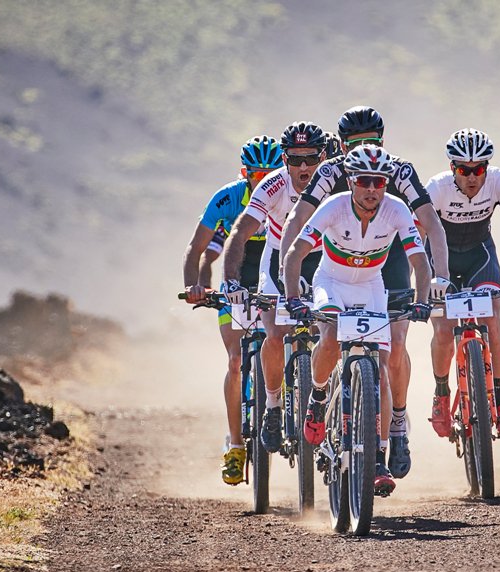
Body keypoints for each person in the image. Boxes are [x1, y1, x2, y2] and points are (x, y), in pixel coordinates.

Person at [279, 106, 451, 480]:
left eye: (373, 143)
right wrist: (288, 284)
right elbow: (296, 223)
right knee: (329, 333)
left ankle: (397, 429)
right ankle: (320, 397)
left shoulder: (398, 175)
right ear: (340, 147)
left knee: (394, 346)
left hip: (381, 262)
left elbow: (431, 228)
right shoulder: (330, 176)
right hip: (335, 253)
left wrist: (438, 281)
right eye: (356, 145)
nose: (372, 184)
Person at [424, 128, 500, 440]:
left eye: (479, 169)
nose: (473, 177)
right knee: (445, 330)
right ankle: (441, 395)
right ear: (453, 168)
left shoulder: (499, 181)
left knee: (491, 320)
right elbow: (413, 238)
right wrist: (423, 284)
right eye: (464, 170)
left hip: (479, 257)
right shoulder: (436, 188)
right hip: (441, 260)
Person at [220, 121, 327, 454]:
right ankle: (273, 406)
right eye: (295, 160)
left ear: (323, 156)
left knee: (331, 331)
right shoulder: (273, 184)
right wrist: (231, 280)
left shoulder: (336, 182)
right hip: (277, 258)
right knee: (275, 332)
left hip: (322, 259)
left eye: (310, 158)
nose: (304, 167)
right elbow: (239, 233)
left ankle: (335, 404)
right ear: (284, 159)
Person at [181, 135, 281, 485]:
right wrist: (195, 286)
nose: (265, 180)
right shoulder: (225, 199)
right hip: (236, 277)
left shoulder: (288, 193)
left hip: (274, 275)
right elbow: (197, 249)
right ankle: (236, 445)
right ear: (245, 173)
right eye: (257, 175)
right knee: (236, 361)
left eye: (273, 172)